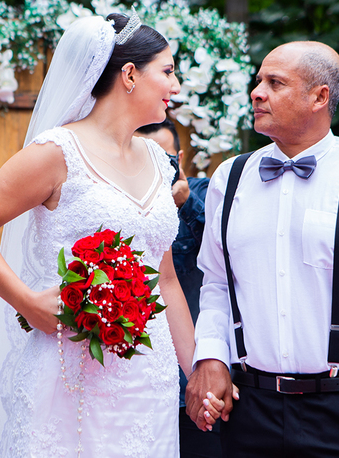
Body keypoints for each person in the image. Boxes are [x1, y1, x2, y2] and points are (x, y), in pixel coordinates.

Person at [0, 13, 203, 457]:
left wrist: (196, 371)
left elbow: (165, 281)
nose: (175, 86)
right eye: (167, 71)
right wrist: (27, 301)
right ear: (129, 75)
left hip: (149, 380)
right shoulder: (57, 152)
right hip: (69, 372)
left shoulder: (160, 164)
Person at [188, 42, 339, 458]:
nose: (257, 92)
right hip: (248, 409)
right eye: (258, 81)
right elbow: (216, 283)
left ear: (319, 97)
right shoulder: (229, 179)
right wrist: (211, 354)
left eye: (275, 83)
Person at [134, 120, 220, 458]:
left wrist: (185, 202)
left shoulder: (205, 192)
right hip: (134, 369)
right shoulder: (118, 198)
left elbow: (223, 253)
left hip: (190, 368)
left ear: (180, 158)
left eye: (164, 158)